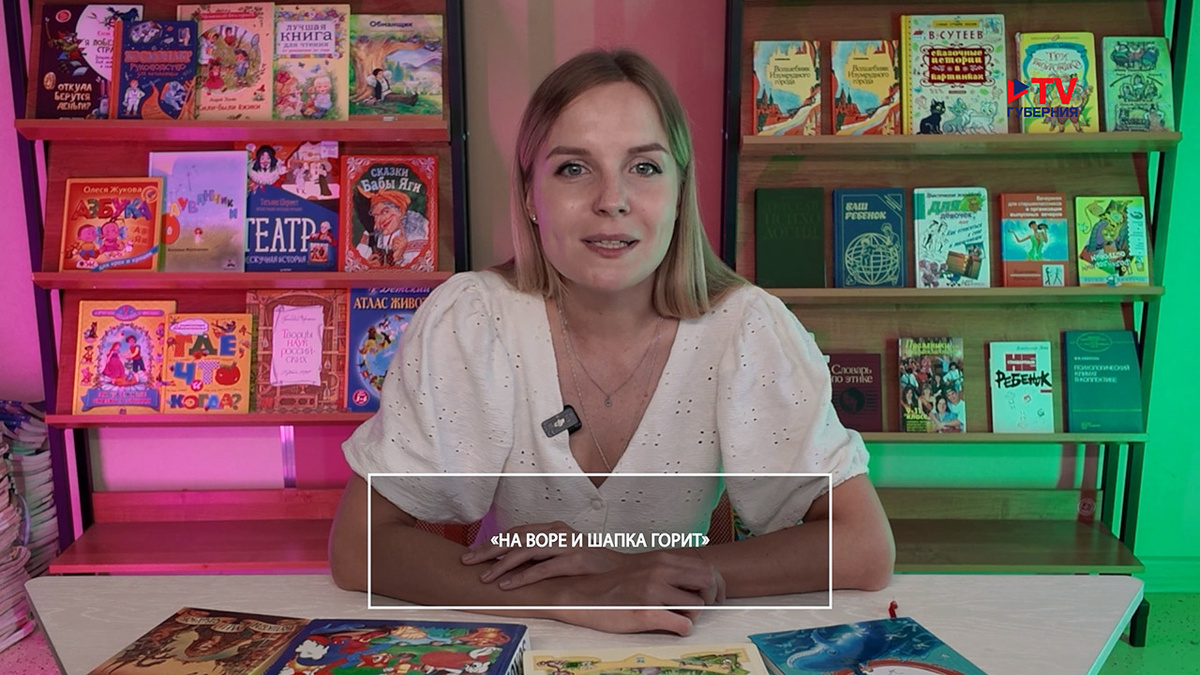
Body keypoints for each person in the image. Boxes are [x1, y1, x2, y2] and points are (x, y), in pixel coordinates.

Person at [329, 48, 894, 636]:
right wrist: (574, 594)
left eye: (644, 167)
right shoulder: (473, 318)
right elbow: (358, 547)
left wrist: (632, 570)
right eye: (574, 168)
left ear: (680, 191)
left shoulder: (749, 328)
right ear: (530, 195)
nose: (611, 199)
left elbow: (864, 546)